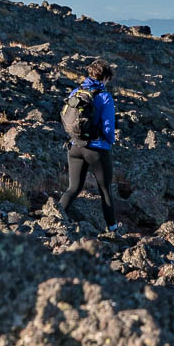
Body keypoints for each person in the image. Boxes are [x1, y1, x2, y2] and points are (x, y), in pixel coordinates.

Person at [59, 59, 120, 231]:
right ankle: (113, 230)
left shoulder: (76, 91)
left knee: (73, 188)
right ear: (106, 77)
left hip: (75, 147)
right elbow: (108, 126)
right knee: (105, 191)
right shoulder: (104, 96)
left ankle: (54, 216)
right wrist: (110, 141)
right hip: (97, 149)